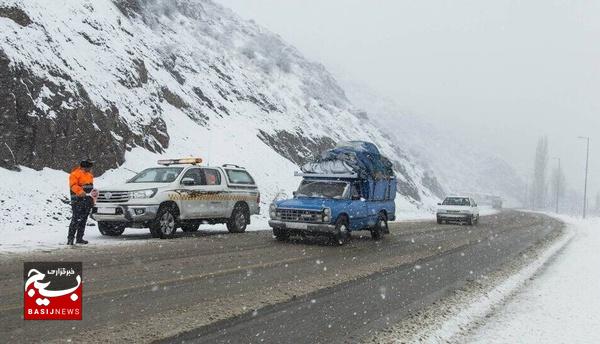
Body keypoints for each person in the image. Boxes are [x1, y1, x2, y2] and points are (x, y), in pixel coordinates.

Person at [67, 159, 95, 245]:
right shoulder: (75, 174)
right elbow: (73, 185)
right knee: (76, 219)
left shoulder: (90, 175)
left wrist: (93, 199)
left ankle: (79, 238)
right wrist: (80, 192)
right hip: (77, 200)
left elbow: (91, 188)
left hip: (87, 200)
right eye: (90, 166)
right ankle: (70, 239)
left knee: (83, 219)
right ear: (85, 166)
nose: (91, 168)